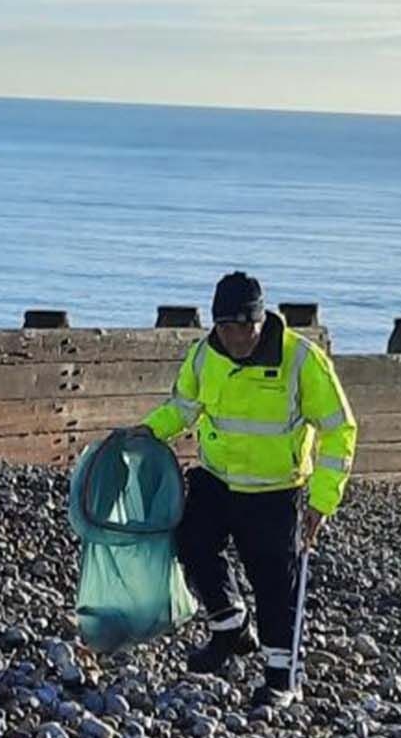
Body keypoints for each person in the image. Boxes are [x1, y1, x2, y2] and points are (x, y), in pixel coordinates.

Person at [133, 271, 357, 707]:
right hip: (218, 479)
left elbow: (339, 429)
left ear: (260, 320)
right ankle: (229, 626)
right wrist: (150, 430)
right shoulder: (204, 355)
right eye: (225, 327)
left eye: (244, 327)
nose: (235, 338)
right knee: (191, 542)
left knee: (274, 583)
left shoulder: (300, 360)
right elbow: (184, 407)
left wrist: (323, 499)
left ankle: (281, 678)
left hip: (275, 490)